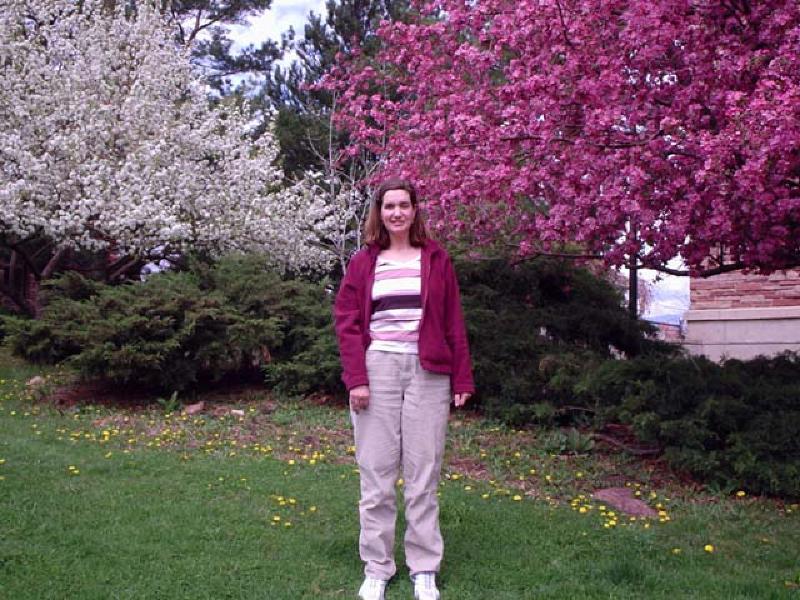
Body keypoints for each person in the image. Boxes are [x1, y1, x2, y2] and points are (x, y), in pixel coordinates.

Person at [334, 177, 475, 600]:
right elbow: (347, 323)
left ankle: (424, 568)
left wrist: (462, 378)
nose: (396, 212)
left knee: (422, 476)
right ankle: (377, 567)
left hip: (428, 372)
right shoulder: (364, 261)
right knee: (376, 476)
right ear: (379, 213)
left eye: (404, 205)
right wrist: (357, 379)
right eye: (389, 206)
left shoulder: (436, 258)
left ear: (415, 211)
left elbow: (453, 321)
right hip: (377, 368)